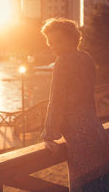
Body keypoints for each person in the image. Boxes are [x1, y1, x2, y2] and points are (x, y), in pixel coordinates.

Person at [41, 18, 109, 191]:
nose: (53, 46)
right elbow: (89, 97)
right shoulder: (86, 58)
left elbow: (56, 101)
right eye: (50, 42)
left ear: (72, 38)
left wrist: (49, 134)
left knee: (84, 186)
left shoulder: (63, 62)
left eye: (58, 40)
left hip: (80, 139)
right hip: (98, 133)